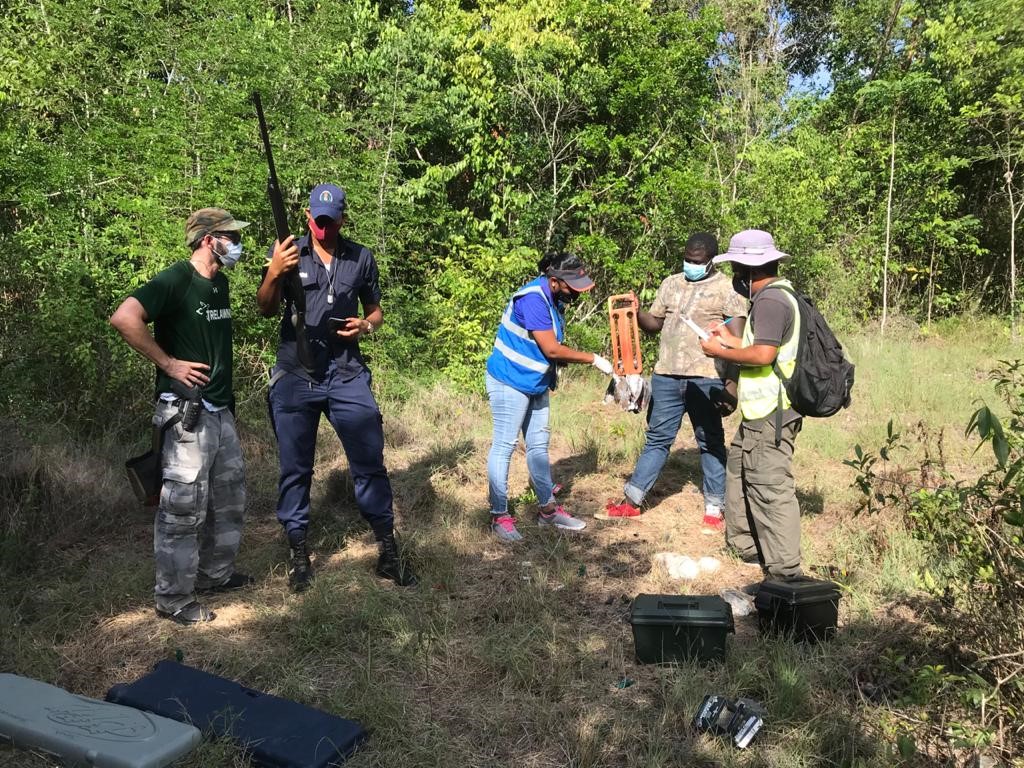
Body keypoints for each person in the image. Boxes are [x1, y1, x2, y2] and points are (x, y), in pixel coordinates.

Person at [257, 183, 415, 591]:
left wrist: (365, 326)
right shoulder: (289, 254)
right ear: (308, 217)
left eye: (330, 222)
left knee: (369, 464)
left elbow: (375, 311)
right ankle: (298, 555)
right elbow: (265, 307)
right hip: (296, 375)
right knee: (296, 469)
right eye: (317, 221)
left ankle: (387, 549)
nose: (322, 229)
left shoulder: (361, 257)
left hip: (346, 373)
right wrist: (274, 271)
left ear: (343, 219)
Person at [110, 208, 253, 625]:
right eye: (230, 237)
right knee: (183, 509)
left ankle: (214, 575)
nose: (236, 244)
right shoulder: (176, 279)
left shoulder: (219, 283)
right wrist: (170, 364)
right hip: (186, 413)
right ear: (209, 239)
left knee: (230, 500)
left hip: (219, 411)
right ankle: (173, 598)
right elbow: (124, 318)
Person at [618, 233, 747, 530]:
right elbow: (654, 324)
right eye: (687, 259)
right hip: (666, 375)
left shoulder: (728, 288)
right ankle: (632, 500)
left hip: (706, 378)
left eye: (697, 261)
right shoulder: (671, 283)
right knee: (657, 438)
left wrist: (731, 384)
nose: (691, 264)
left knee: (710, 440)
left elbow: (737, 341)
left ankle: (715, 507)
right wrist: (637, 312)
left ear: (712, 260)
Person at [485, 252, 614, 542]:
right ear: (554, 281)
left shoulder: (553, 299)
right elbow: (552, 349)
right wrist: (593, 359)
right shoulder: (532, 298)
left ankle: (548, 510)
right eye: (573, 287)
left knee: (539, 447)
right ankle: (499, 515)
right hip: (509, 380)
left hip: (535, 383)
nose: (576, 294)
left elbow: (546, 347)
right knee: (505, 445)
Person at [699, 229, 803, 579]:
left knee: (770, 487)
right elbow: (759, 343)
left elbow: (762, 354)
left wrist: (721, 351)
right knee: (740, 473)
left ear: (748, 270)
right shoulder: (770, 299)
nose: (735, 278)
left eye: (737, 271)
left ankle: (784, 572)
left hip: (773, 414)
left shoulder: (772, 301)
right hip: (759, 413)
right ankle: (747, 549)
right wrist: (729, 338)